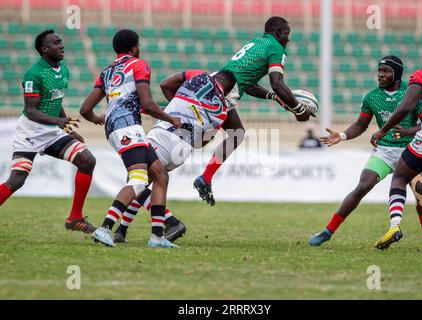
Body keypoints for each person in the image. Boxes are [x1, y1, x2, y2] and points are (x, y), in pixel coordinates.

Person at [309, 55, 422, 250]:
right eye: (379, 71)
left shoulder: (412, 92)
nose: (380, 75)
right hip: (384, 151)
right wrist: (343, 136)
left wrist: (407, 131)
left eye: (386, 71)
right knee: (362, 187)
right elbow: (361, 125)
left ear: (396, 74)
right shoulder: (372, 97)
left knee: (420, 192)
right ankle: (327, 232)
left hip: (411, 149)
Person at [193, 16, 313, 206]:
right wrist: (298, 109)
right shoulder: (276, 47)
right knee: (194, 140)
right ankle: (157, 164)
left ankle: (205, 178)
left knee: (236, 134)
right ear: (279, 32)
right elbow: (277, 83)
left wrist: (274, 98)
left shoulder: (256, 42)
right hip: (223, 91)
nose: (288, 39)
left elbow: (248, 85)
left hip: (219, 84)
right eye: (287, 34)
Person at [80, 29, 182, 248]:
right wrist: (170, 118)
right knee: (138, 180)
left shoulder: (106, 71)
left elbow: (85, 108)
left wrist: (99, 118)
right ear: (135, 48)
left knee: (160, 174)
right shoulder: (138, 64)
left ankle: (157, 237)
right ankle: (105, 228)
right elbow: (147, 104)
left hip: (116, 127)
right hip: (126, 127)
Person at [114, 69, 237, 243]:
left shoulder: (199, 76)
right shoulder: (223, 111)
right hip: (183, 150)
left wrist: (178, 108)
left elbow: (165, 84)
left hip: (166, 135)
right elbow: (201, 143)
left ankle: (172, 222)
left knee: (136, 177)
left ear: (215, 75)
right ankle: (121, 230)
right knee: (146, 181)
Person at [0, 29, 97, 234]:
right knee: (17, 179)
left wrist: (66, 129)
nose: (61, 45)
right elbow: (32, 111)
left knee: (87, 160)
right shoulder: (33, 74)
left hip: (52, 133)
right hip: (30, 133)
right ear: (44, 49)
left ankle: (75, 218)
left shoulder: (64, 71)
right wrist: (59, 121)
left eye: (61, 42)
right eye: (55, 43)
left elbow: (55, 102)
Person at [371, 33, 422, 250]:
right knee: (418, 187)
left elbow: (406, 107)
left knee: (401, 176)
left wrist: (382, 131)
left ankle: (395, 226)